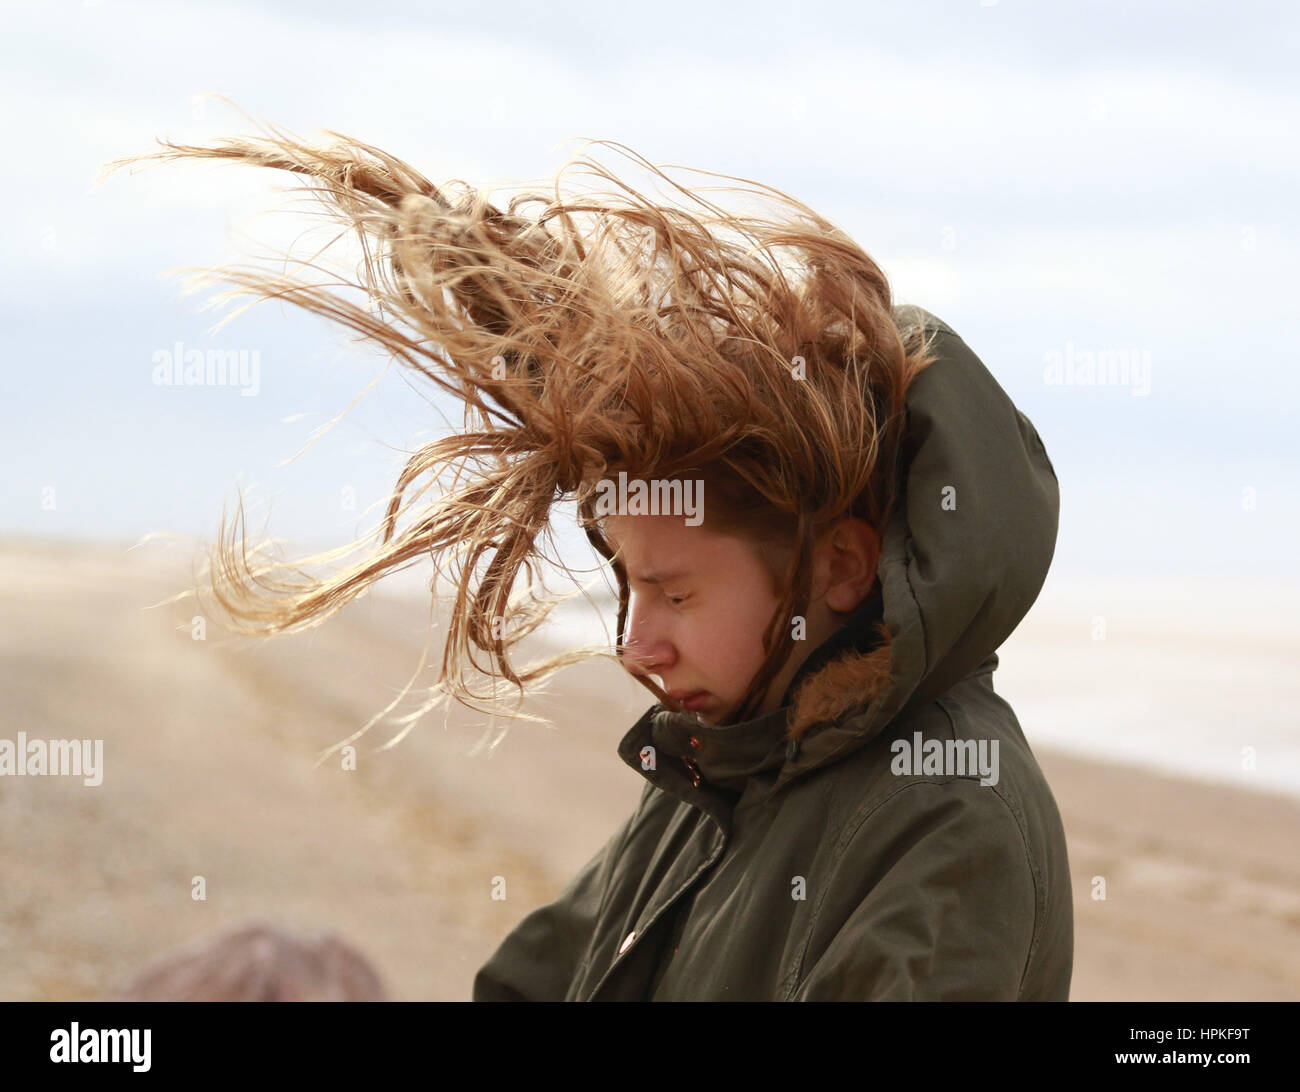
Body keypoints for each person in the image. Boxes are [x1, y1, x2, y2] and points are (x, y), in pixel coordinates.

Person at [108, 118, 1072, 1000]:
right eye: (625, 584)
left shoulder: (953, 821)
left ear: (842, 568)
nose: (635, 644)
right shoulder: (733, 766)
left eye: (674, 592)